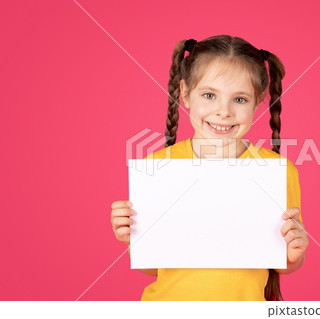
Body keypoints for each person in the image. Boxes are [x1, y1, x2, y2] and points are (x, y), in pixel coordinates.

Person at [110, 35, 309, 301]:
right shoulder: (155, 168)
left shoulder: (277, 171)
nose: (223, 111)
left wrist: (295, 252)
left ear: (258, 100)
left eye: (239, 100)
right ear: (185, 94)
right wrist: (131, 237)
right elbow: (151, 268)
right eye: (209, 95)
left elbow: (283, 262)